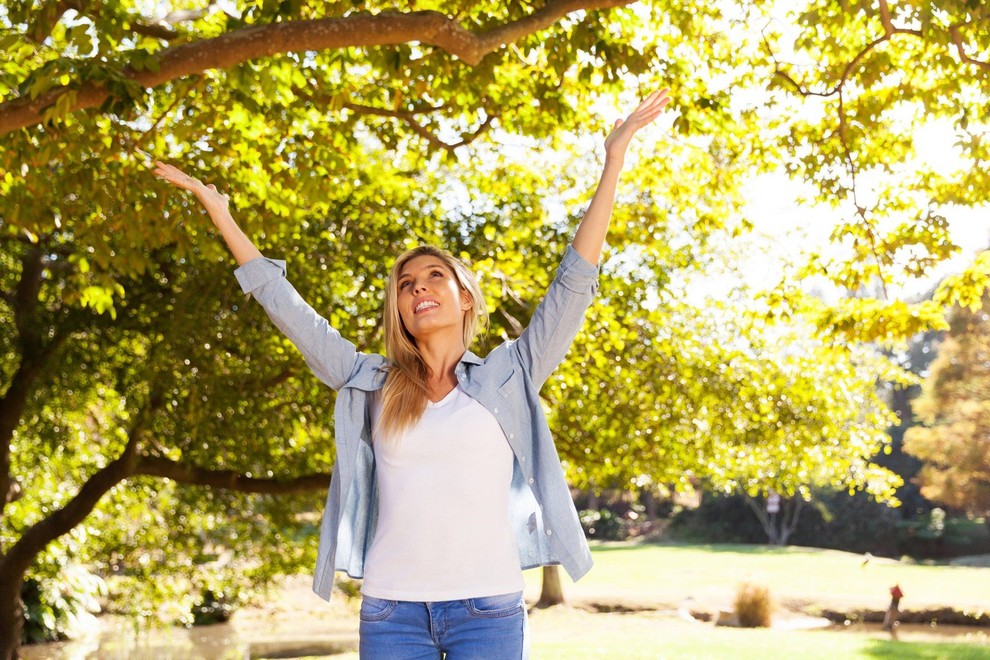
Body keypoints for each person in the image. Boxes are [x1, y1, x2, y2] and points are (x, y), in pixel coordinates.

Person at [153, 88, 671, 659]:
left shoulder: (511, 371)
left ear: (465, 297)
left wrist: (613, 162)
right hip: (392, 611)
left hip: (489, 609)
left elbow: (574, 281)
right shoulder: (369, 382)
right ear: (399, 309)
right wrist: (221, 213)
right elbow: (288, 309)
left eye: (432, 276)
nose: (418, 286)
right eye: (405, 284)